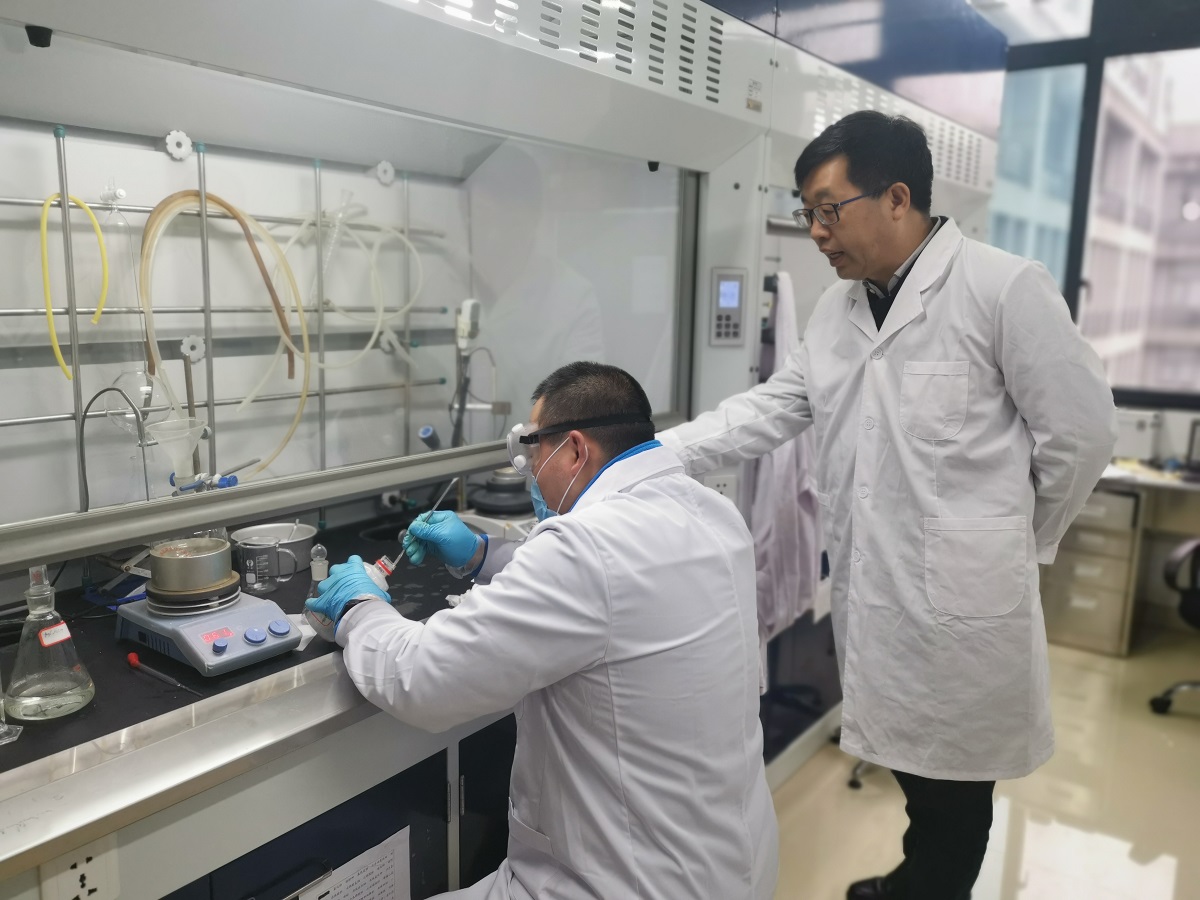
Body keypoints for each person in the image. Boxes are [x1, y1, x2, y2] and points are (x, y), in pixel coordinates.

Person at [656, 111, 1118, 900]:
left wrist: (1014, 540)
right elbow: (772, 407)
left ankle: (922, 889)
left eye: (828, 210)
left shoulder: (1001, 288)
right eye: (807, 212)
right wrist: (644, 459)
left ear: (897, 198)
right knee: (920, 783)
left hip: (968, 607)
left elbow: (1082, 435)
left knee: (955, 805)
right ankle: (913, 881)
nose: (815, 231)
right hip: (881, 600)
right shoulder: (837, 310)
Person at [306, 361, 778, 900]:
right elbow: (615, 595)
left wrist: (358, 606)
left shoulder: (588, 547)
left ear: (575, 450)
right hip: (730, 864)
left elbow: (421, 678)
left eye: (535, 452)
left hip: (624, 884)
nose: (531, 470)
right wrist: (482, 555)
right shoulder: (711, 512)